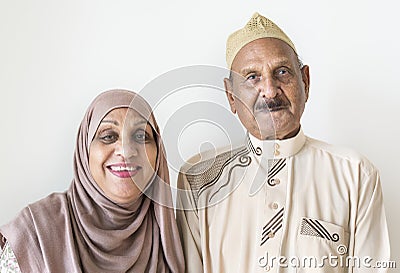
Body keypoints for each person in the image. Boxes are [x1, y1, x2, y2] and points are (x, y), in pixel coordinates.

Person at [176, 12, 390, 272]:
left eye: (282, 72)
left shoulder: (355, 175)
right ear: (231, 96)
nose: (269, 89)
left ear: (305, 82)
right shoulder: (198, 179)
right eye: (252, 77)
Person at [0, 89, 184, 272]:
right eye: (108, 136)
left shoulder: (172, 238)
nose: (126, 151)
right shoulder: (35, 233)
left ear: (158, 153)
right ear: (84, 151)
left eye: (140, 136)